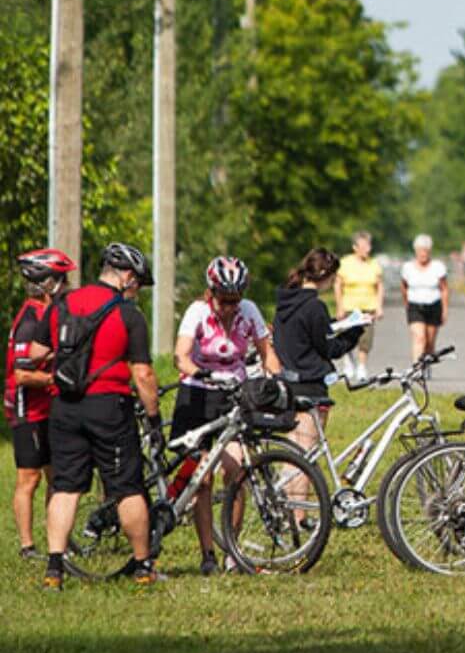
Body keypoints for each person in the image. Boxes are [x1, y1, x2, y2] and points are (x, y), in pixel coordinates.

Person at [42, 242, 163, 590]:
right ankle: (142, 565)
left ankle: (54, 567)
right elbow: (143, 374)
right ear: (126, 276)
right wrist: (153, 420)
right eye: (137, 282)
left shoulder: (62, 304)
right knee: (127, 487)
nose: (137, 289)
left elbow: (38, 351)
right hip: (109, 407)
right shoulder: (128, 315)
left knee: (65, 486)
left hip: (64, 406)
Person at [172, 257, 279, 575]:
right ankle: (208, 555)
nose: (231, 307)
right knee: (202, 478)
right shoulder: (197, 313)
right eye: (224, 301)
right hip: (197, 395)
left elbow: (266, 351)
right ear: (211, 293)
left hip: (234, 396)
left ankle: (232, 552)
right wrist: (202, 373)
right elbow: (180, 355)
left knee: (237, 472)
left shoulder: (249, 311)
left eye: (236, 300)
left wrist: (275, 379)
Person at [6, 248, 74, 559]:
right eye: (62, 280)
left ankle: (56, 541)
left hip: (51, 408)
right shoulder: (31, 319)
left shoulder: (50, 314)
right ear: (47, 283)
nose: (67, 286)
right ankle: (26, 545)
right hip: (28, 409)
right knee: (29, 477)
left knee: (57, 475)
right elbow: (21, 374)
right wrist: (55, 379)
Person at [273, 247, 364, 465]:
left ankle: (286, 498)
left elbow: (306, 334)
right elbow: (330, 348)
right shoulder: (314, 306)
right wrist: (356, 330)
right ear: (326, 276)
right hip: (311, 386)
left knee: (293, 454)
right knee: (306, 459)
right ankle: (298, 499)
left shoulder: (286, 302)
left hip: (288, 383)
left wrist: (335, 325)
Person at [334, 231, 383, 383]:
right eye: (363, 246)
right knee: (347, 336)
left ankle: (362, 366)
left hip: (368, 306)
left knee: (365, 338)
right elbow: (338, 285)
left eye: (368, 245)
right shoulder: (345, 263)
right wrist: (339, 306)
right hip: (350, 306)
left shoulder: (373, 264)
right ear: (355, 247)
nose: (367, 249)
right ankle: (348, 364)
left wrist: (379, 306)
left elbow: (379, 285)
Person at [402, 234, 448, 363]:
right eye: (420, 250)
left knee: (429, 341)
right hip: (415, 305)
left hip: (434, 305)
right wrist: (406, 303)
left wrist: (445, 310)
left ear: (430, 251)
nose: (423, 254)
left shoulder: (438, 267)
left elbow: (444, 289)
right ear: (415, 251)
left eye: (425, 251)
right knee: (419, 337)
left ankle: (426, 363)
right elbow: (404, 287)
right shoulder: (407, 268)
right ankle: (417, 367)